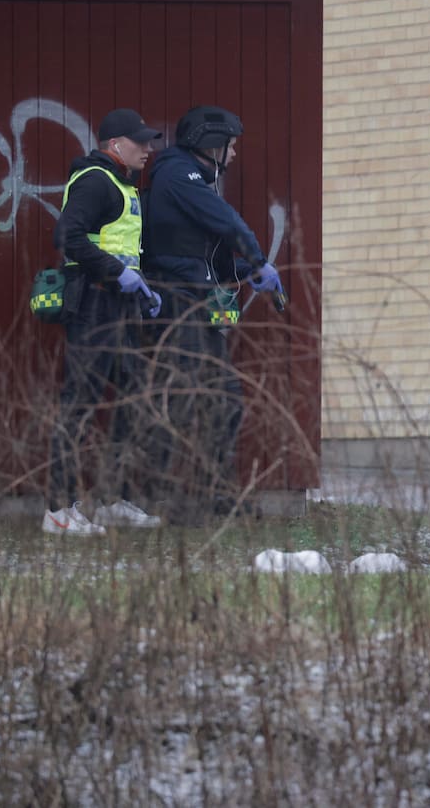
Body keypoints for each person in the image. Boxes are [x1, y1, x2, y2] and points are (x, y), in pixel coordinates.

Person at [140, 105, 283, 520]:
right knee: (183, 400)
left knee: (224, 399)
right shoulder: (177, 174)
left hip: (196, 299)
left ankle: (218, 494)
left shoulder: (194, 180)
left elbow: (204, 255)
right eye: (230, 146)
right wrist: (257, 258)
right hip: (177, 301)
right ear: (210, 144)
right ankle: (169, 499)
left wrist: (244, 272)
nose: (234, 154)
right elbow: (226, 222)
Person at [43, 108, 165, 535]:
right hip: (94, 305)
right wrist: (118, 274)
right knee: (79, 405)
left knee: (131, 402)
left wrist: (142, 288)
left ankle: (114, 500)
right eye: (141, 142)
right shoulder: (96, 181)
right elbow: (68, 237)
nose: (148, 149)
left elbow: (120, 246)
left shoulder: (121, 184)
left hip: (119, 307)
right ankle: (58, 512)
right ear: (116, 145)